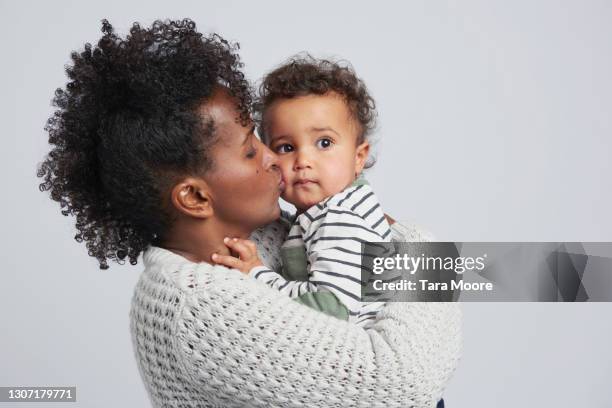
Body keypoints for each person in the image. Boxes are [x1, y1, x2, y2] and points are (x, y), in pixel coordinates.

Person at [38, 19, 461, 407]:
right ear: (195, 198)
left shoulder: (261, 231)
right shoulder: (200, 307)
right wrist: (425, 250)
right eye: (250, 149)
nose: (276, 160)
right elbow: (402, 383)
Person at [212, 56, 392, 328]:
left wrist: (258, 275)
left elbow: (331, 309)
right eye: (286, 147)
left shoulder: (338, 220)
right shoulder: (324, 212)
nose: (303, 160)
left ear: (359, 157)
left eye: (324, 142)